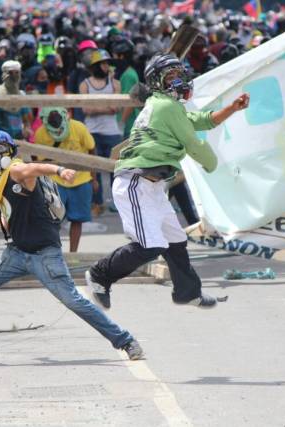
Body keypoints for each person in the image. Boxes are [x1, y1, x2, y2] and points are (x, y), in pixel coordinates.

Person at [0, 130, 143, 364]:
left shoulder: (16, 170)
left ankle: (126, 341)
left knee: (73, 301)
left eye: (0, 150)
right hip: (15, 252)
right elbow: (8, 213)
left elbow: (35, 168)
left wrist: (59, 170)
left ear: (11, 153)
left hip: (44, 254)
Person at [85, 53, 250, 309]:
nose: (178, 80)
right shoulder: (166, 106)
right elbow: (193, 144)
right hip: (135, 183)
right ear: (157, 82)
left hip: (153, 186)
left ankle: (187, 291)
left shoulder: (167, 106)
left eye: (179, 75)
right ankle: (99, 275)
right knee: (149, 246)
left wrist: (232, 108)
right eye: (171, 76)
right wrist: (214, 165)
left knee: (175, 240)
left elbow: (203, 120)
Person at [34, 107, 97, 252]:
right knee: (52, 220)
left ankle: (73, 254)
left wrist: (94, 179)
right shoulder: (40, 134)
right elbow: (38, 160)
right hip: (55, 182)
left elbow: (92, 149)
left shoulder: (79, 127)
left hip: (81, 180)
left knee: (77, 220)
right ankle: (54, 252)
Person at [78, 49, 122, 215]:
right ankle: (97, 203)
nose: (106, 66)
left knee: (115, 169)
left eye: (107, 64)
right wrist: (106, 108)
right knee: (93, 170)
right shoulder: (85, 84)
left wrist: (96, 108)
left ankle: (118, 202)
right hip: (92, 132)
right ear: (95, 65)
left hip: (112, 132)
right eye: (103, 63)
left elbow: (116, 108)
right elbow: (86, 109)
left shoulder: (115, 84)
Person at [0, 60, 32, 140]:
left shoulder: (22, 95)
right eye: (10, 73)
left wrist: (26, 129)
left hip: (18, 140)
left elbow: (26, 120)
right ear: (4, 74)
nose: (14, 76)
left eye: (17, 73)